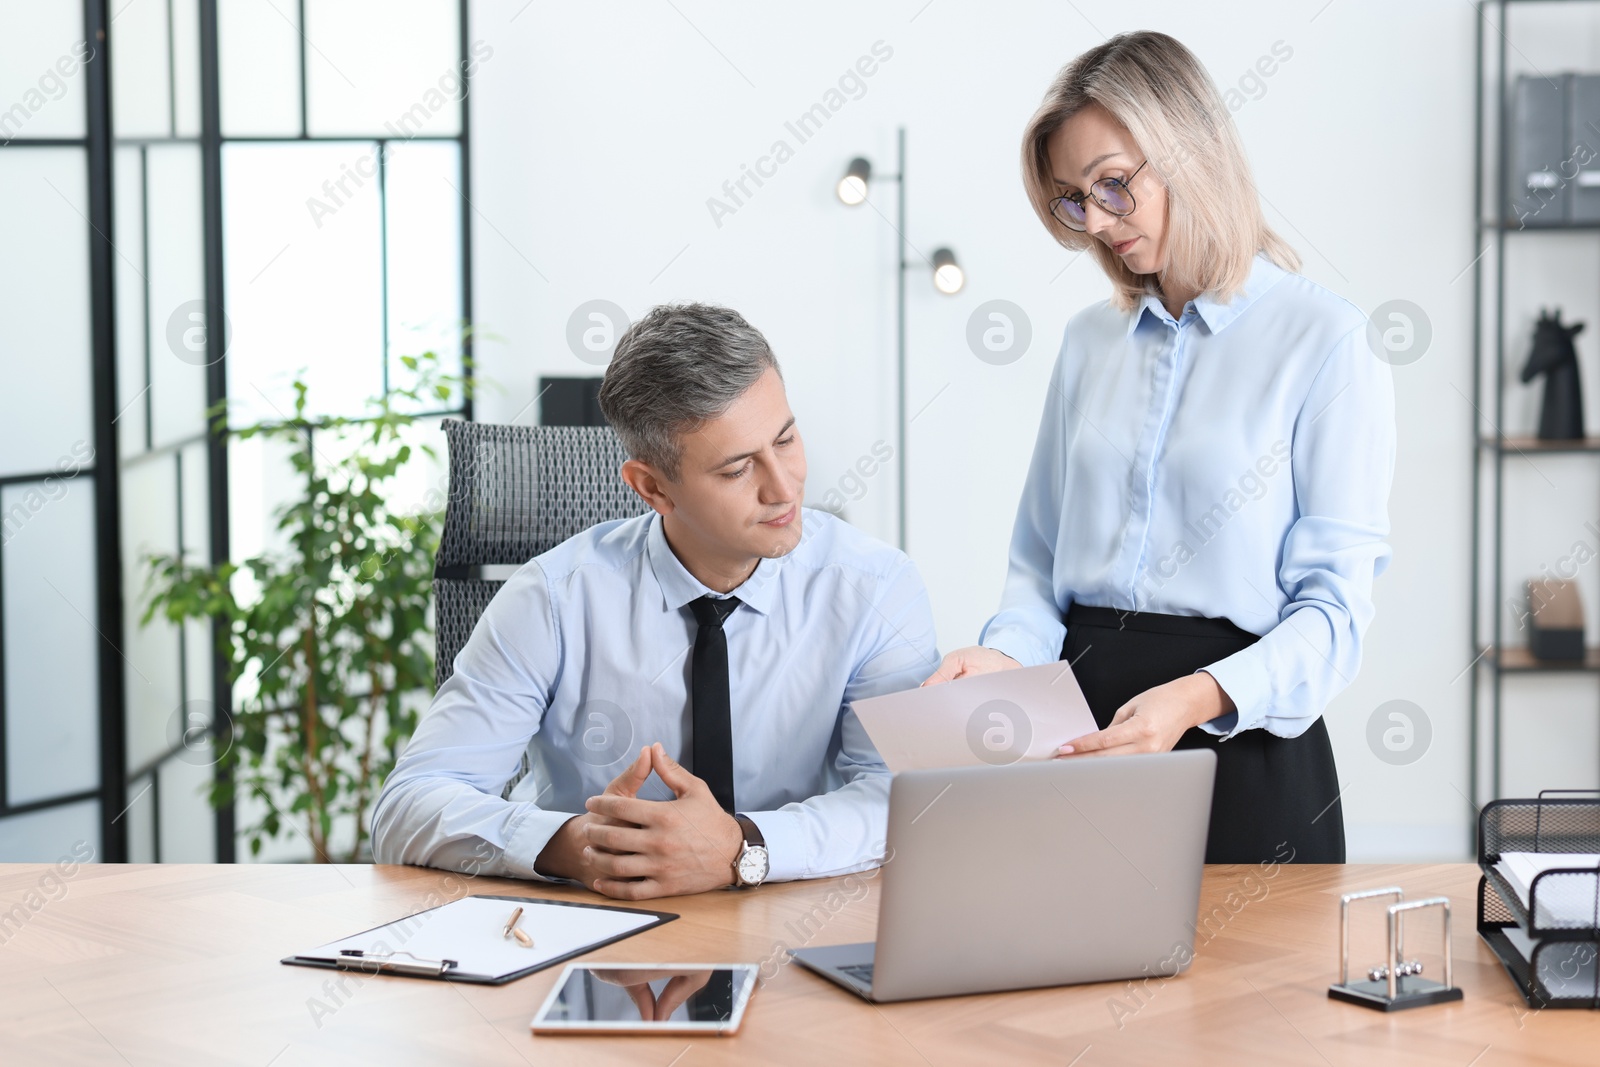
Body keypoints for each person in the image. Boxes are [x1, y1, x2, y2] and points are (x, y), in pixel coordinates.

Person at [924, 31, 1395, 864]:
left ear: (1192, 152)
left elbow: (1335, 616)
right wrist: (1002, 656)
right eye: (1074, 198)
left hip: (1241, 746)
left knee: (1244, 996)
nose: (1098, 222)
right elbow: (1038, 571)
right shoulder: (1087, 343)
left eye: (1114, 185)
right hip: (1080, 740)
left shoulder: (1323, 340)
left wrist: (1195, 698)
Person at [372, 303, 937, 898]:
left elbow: (903, 796)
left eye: (786, 438)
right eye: (738, 468)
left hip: (792, 928)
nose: (784, 485)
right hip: (595, 938)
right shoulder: (553, 600)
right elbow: (407, 808)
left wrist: (742, 847)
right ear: (652, 486)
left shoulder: (876, 587)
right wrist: (581, 845)